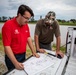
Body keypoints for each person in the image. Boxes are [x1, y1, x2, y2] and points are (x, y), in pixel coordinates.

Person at [2, 4, 40, 70]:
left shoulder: (25, 25)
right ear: (19, 15)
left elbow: (28, 38)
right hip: (12, 57)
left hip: (23, 54)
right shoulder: (8, 25)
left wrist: (33, 52)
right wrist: (15, 63)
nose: (27, 21)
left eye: (29, 18)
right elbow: (7, 46)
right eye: (26, 18)